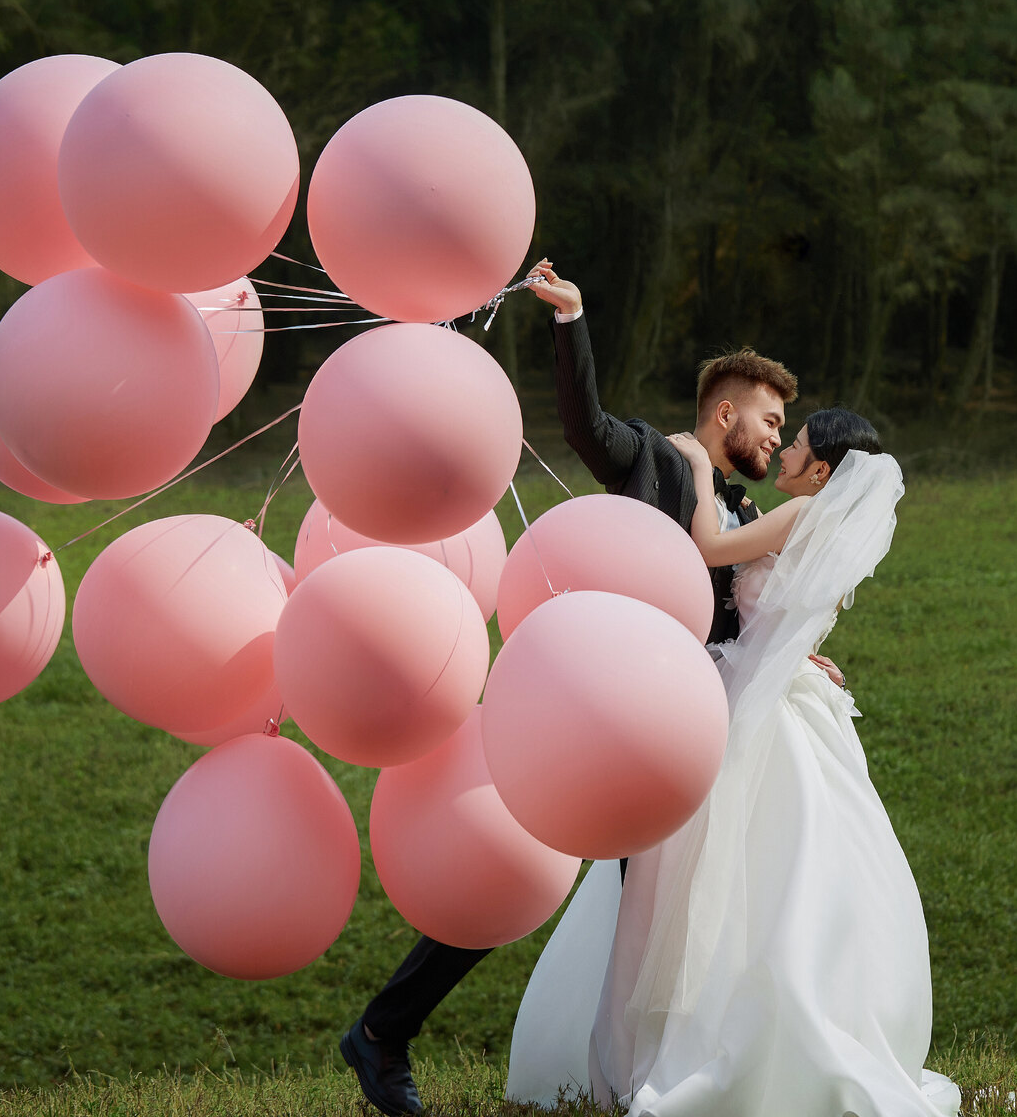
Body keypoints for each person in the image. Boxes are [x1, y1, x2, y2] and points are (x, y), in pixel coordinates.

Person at [339, 260, 822, 1116]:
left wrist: (789, 655)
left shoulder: (740, 516)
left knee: (664, 895)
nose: (777, 438)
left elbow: (725, 618)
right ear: (725, 412)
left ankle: (651, 1073)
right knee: (519, 861)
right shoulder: (657, 463)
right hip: (593, 705)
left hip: (667, 727)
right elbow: (586, 425)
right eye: (770, 419)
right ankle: (383, 1032)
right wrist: (573, 323)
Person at [506, 408, 960, 1117]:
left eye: (798, 445)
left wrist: (694, 469)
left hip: (751, 699)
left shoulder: (800, 515)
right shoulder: (829, 527)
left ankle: (712, 1035)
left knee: (720, 866)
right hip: (784, 690)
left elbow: (712, 550)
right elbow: (795, 610)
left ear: (820, 473)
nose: (783, 453)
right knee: (772, 864)